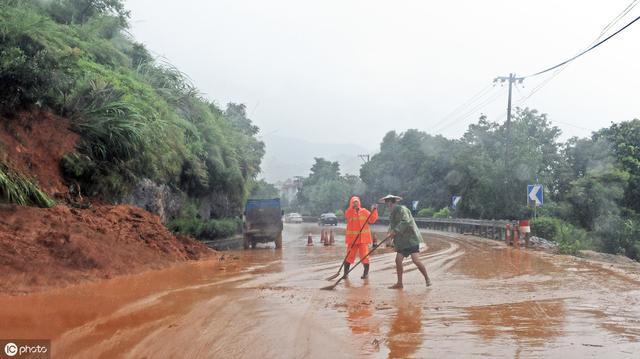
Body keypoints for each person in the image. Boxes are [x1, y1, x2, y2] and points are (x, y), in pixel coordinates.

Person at [380, 194, 431, 288]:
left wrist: (395, 231)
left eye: (388, 203)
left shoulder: (402, 209)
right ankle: (400, 283)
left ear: (392, 202)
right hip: (401, 242)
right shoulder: (392, 214)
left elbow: (406, 221)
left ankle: (427, 278)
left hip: (411, 239)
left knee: (415, 260)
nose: (388, 206)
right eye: (387, 204)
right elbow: (391, 226)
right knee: (398, 260)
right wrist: (389, 237)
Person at [344, 196, 378, 279]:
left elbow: (372, 220)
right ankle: (345, 273)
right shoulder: (349, 212)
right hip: (352, 240)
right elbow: (347, 216)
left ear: (359, 203)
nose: (355, 203)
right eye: (353, 202)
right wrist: (352, 209)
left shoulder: (364, 211)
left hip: (363, 239)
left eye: (356, 202)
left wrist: (374, 210)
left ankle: (365, 273)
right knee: (349, 256)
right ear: (351, 203)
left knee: (364, 256)